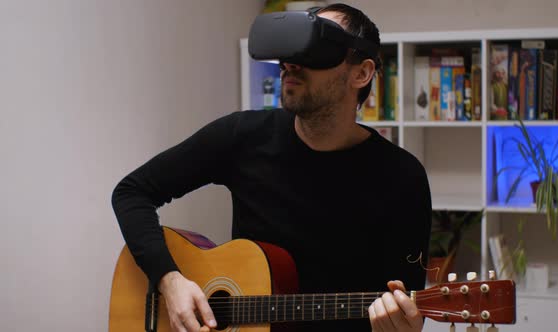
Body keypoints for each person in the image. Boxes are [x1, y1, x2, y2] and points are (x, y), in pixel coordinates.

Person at [112, 3, 432, 332]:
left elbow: (409, 309)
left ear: (361, 73)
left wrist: (399, 326)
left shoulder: (402, 178)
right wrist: (170, 280)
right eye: (292, 46)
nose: (290, 63)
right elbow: (132, 192)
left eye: (315, 47)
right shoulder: (241, 136)